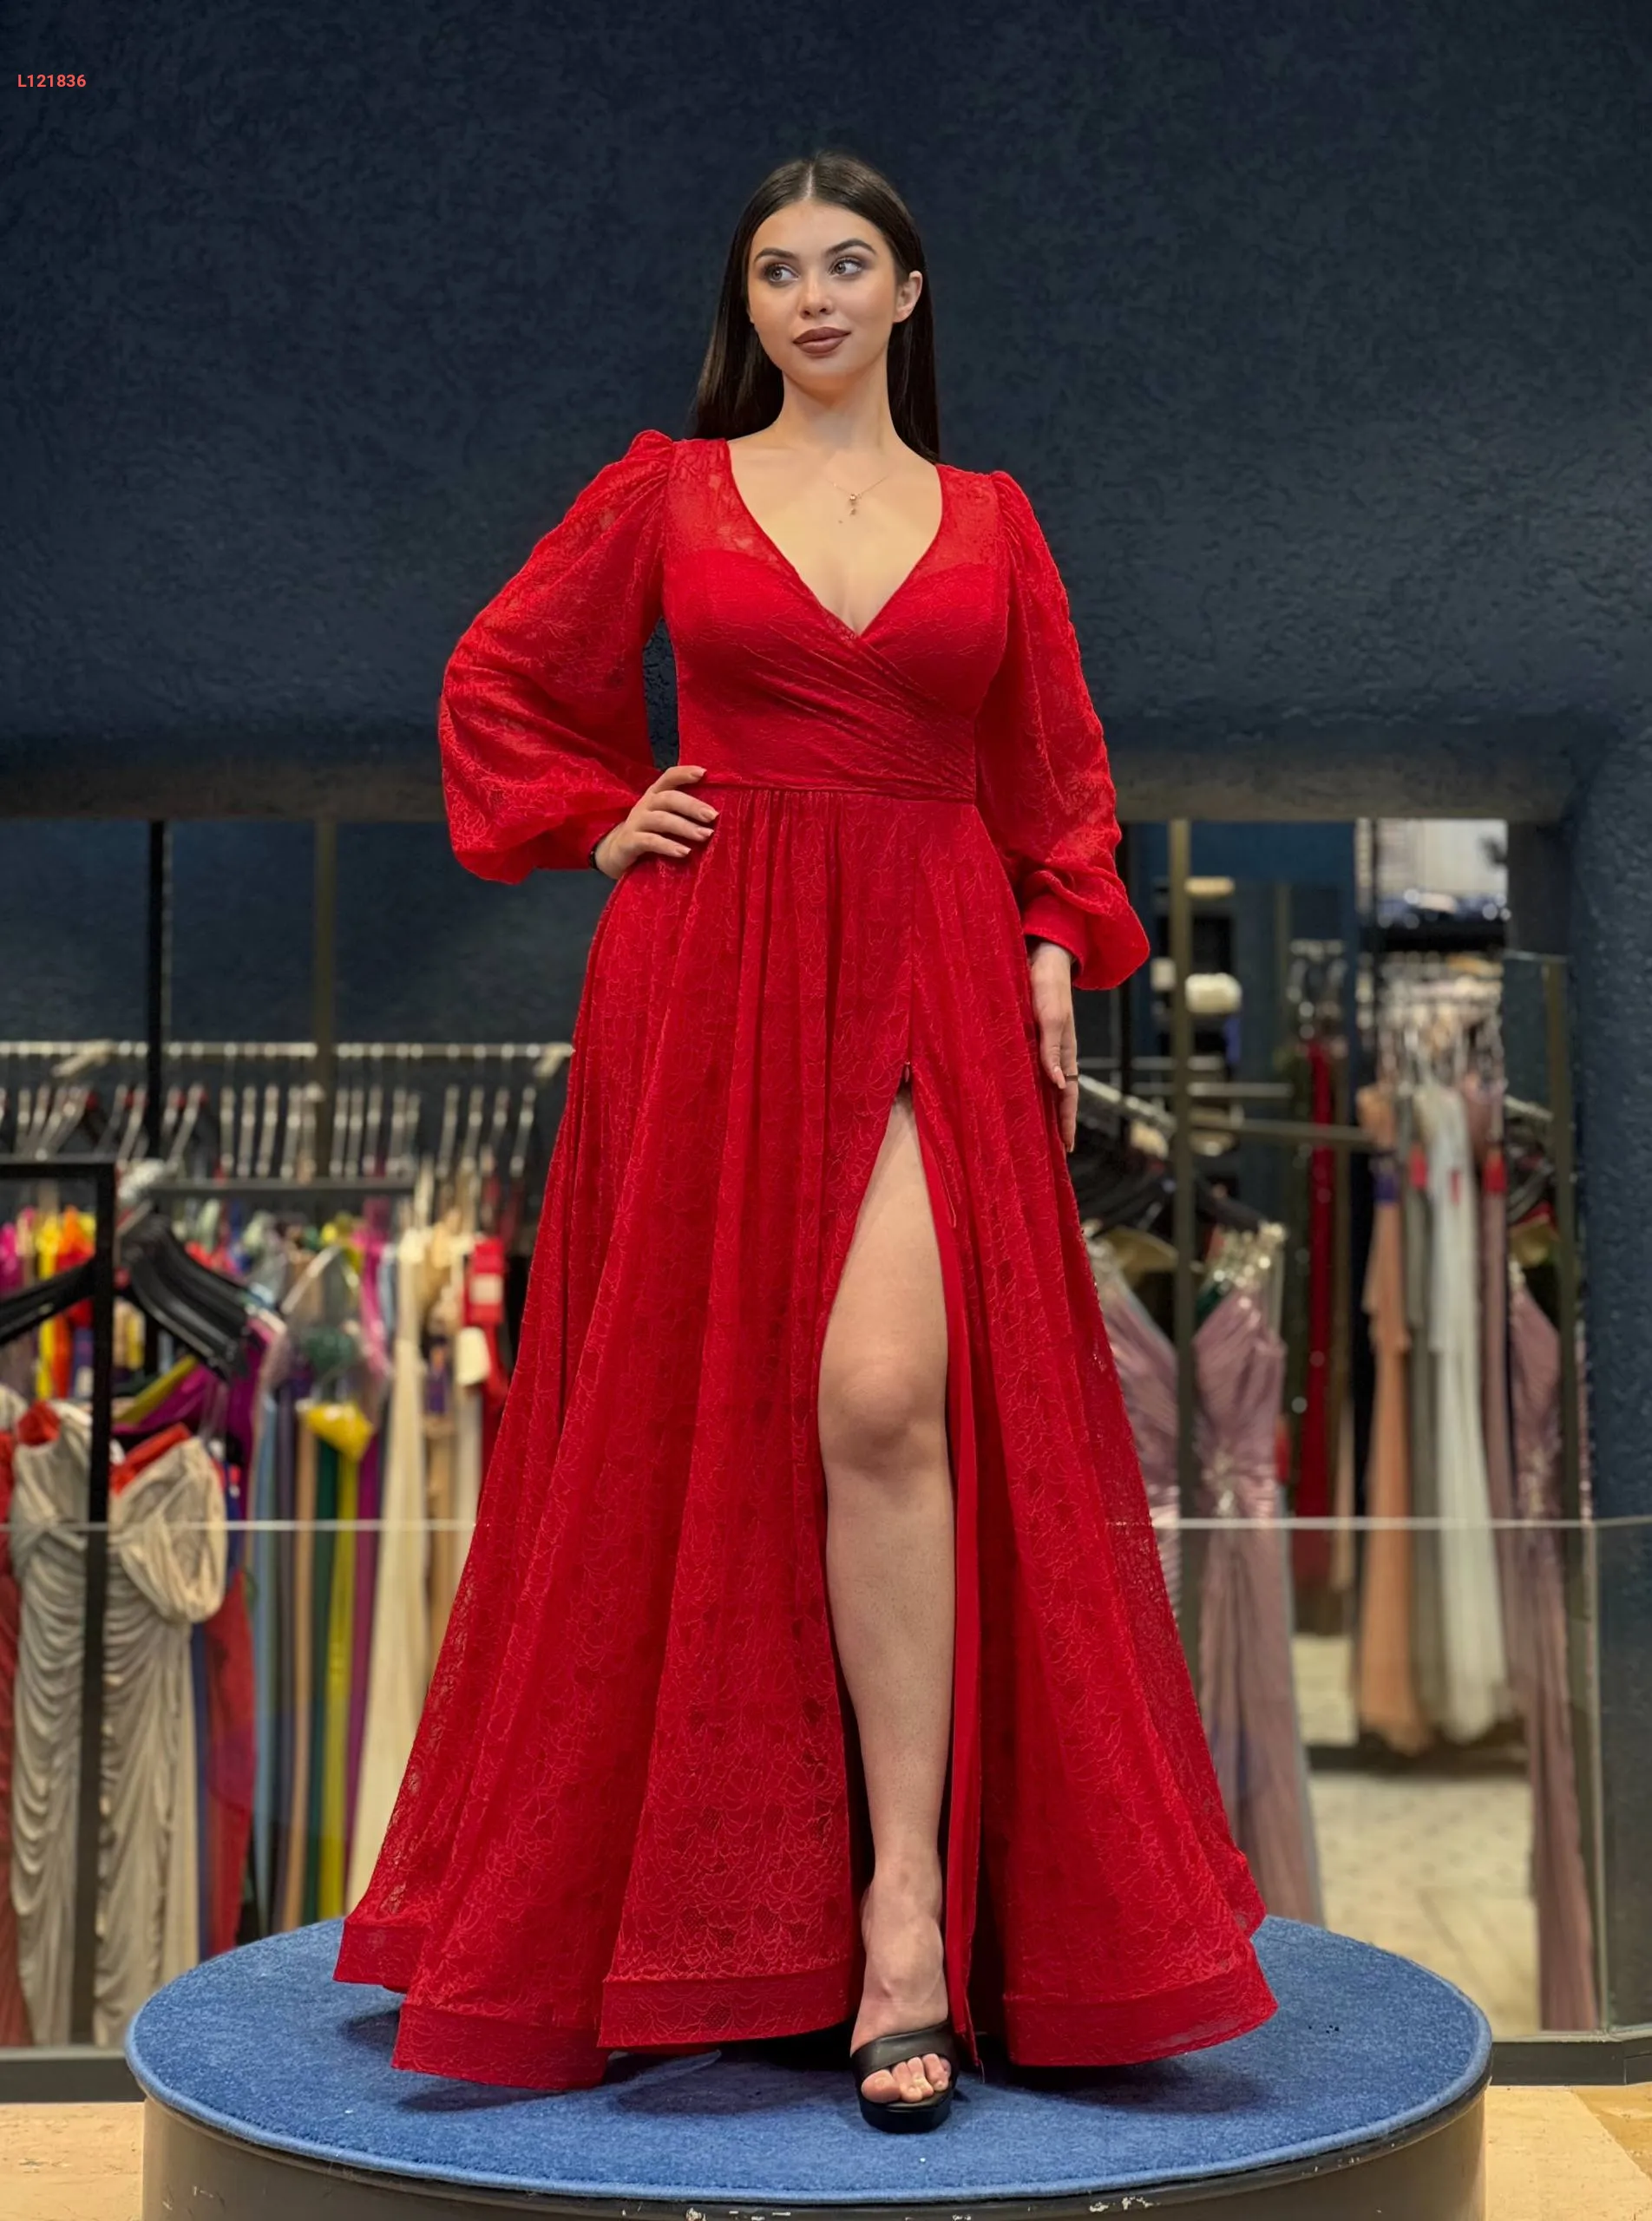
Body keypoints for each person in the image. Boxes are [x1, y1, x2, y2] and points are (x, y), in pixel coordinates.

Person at [334, 147, 1276, 2133]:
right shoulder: (664, 491)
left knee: (880, 1397)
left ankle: (903, 1913)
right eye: (779, 269)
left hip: (928, 961)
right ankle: (707, 1911)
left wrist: (1049, 935)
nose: (816, 295)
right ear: (747, 305)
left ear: (908, 293)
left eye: (850, 262)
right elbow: (496, 680)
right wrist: (597, 815)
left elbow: (1056, 774)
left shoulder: (991, 519)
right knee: (698, 1426)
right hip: (708, 974)